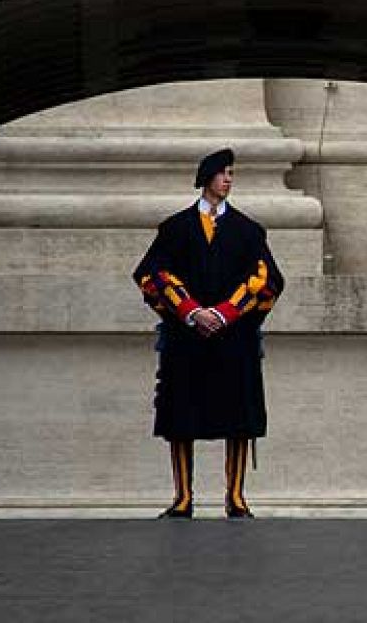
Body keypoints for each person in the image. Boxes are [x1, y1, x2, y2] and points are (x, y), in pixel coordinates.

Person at [134, 148, 284, 519]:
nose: (228, 180)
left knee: (238, 418)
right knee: (181, 418)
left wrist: (224, 313)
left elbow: (268, 281)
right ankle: (183, 497)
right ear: (206, 178)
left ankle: (235, 497)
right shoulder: (175, 228)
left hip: (235, 341)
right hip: (186, 340)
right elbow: (150, 276)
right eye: (223, 174)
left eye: (232, 174)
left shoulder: (249, 230)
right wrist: (190, 313)